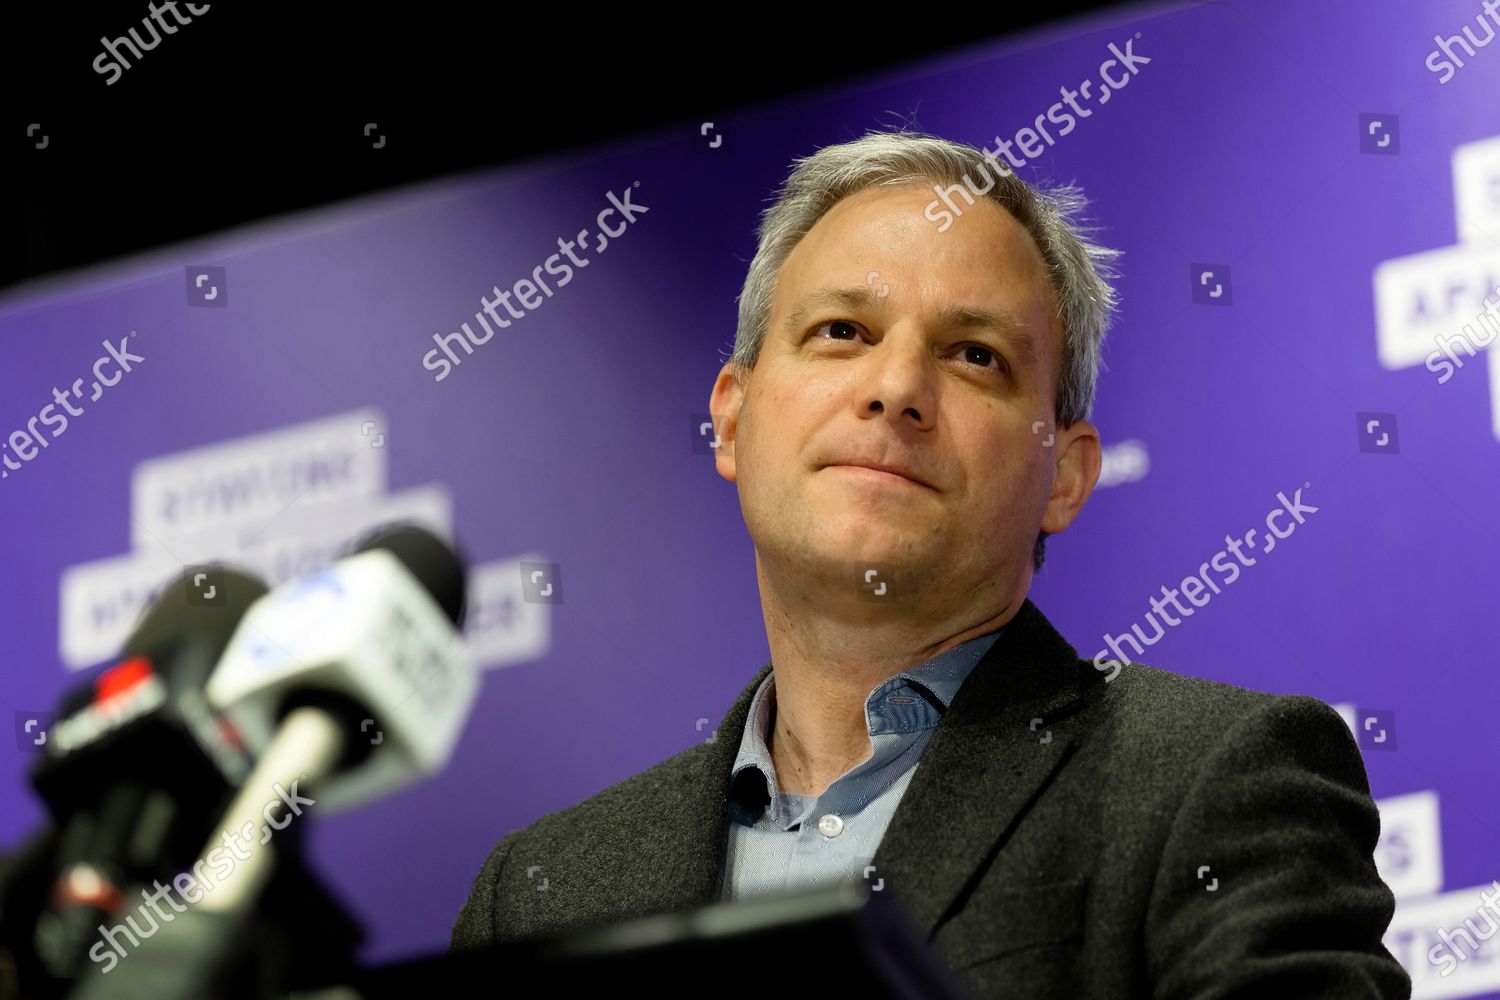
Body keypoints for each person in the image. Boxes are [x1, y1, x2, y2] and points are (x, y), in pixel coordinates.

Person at [451, 130, 1410, 998]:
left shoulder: (1212, 783)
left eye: (974, 355)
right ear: (733, 417)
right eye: (842, 333)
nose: (897, 387)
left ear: (1067, 477)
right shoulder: (540, 893)